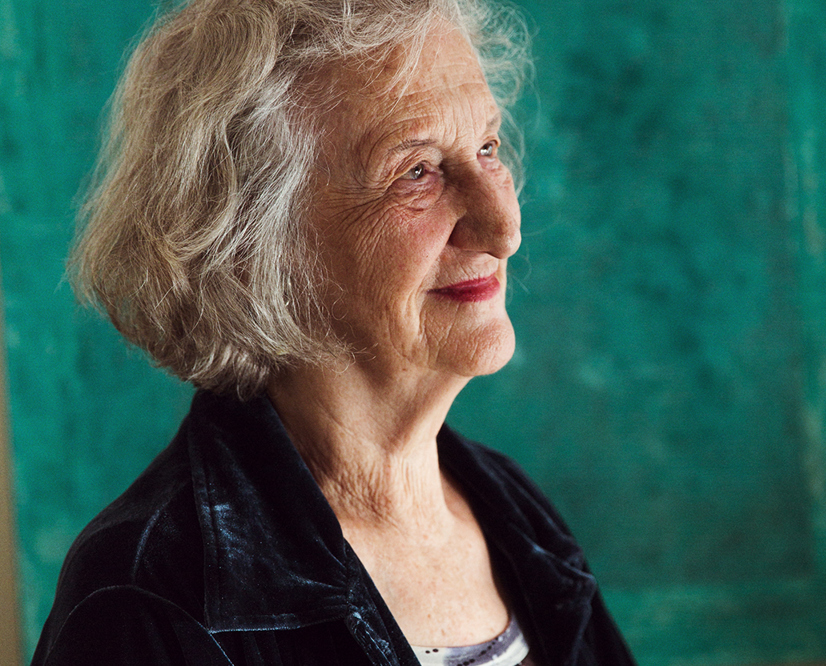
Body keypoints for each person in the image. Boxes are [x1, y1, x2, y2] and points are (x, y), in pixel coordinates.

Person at [32, 0, 637, 664]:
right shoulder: (145, 599)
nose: (504, 226)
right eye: (416, 172)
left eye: (487, 147)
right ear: (255, 240)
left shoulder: (513, 511)